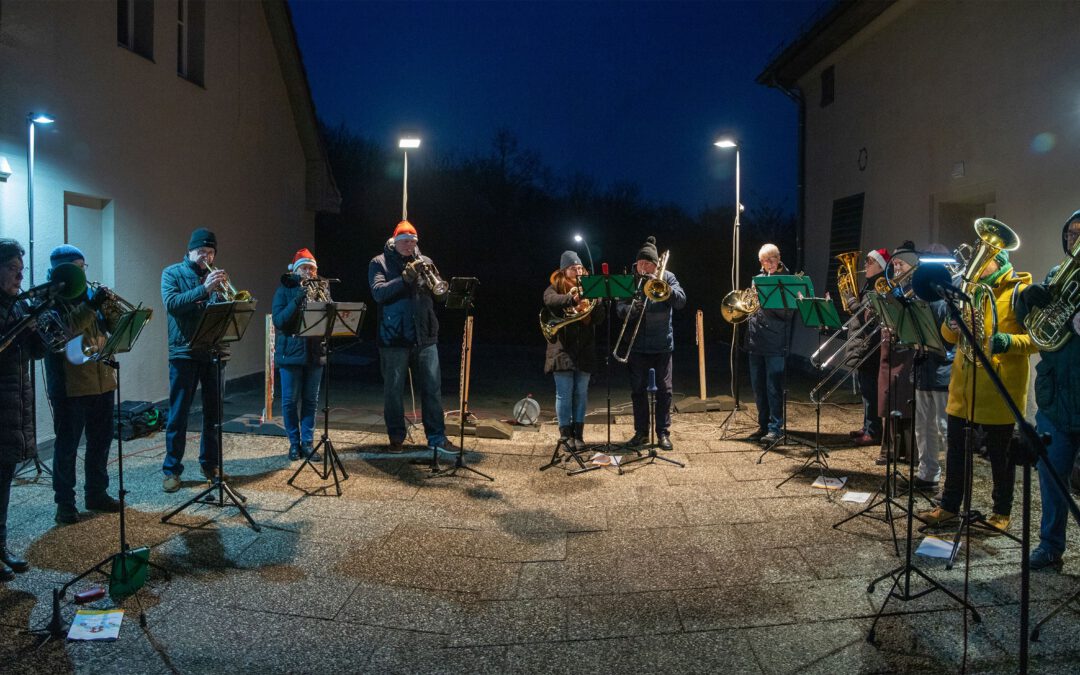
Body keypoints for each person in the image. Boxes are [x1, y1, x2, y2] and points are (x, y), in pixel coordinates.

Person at [920, 248, 1037, 533]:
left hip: (1000, 388)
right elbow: (949, 338)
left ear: (1000, 262)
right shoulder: (968, 291)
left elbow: (1035, 341)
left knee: (1002, 456)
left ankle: (1001, 511)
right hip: (964, 385)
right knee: (956, 452)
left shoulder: (1021, 291)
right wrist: (951, 326)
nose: (976, 265)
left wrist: (1007, 342)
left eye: (984, 260)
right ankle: (949, 506)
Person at [1017, 209, 1080, 570]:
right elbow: (1040, 331)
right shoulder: (1059, 275)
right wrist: (1026, 302)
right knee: (1051, 475)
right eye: (1071, 234)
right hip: (1056, 396)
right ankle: (1050, 545)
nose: (1075, 240)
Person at [42, 245, 119, 524]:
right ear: (61, 270)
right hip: (70, 384)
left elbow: (112, 327)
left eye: (83, 267)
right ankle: (65, 503)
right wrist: (91, 305)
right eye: (76, 267)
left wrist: (108, 307)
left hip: (102, 379)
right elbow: (64, 330)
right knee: (68, 446)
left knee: (101, 441)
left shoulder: (89, 294)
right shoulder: (49, 299)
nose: (82, 273)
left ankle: (96, 493)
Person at [369, 221, 455, 454]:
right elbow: (378, 293)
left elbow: (438, 295)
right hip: (393, 337)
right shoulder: (380, 262)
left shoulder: (425, 261)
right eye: (405, 241)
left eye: (413, 241)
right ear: (394, 242)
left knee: (432, 389)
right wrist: (404, 279)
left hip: (425, 336)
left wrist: (441, 289)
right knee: (394, 391)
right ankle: (396, 438)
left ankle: (436, 437)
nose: (409, 245)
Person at [160, 228, 232, 493]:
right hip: (184, 352)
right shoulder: (172, 273)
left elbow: (224, 312)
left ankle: (210, 464)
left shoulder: (216, 275)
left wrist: (223, 296)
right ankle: (171, 470)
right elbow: (173, 304)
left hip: (213, 351)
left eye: (211, 252)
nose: (206, 257)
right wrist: (204, 289)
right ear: (189, 251)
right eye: (202, 252)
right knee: (179, 414)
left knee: (214, 414)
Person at [0, 238, 46, 580]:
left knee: (4, 480)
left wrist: (37, 328)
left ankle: (0, 547)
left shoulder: (17, 305)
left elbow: (38, 352)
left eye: (21, 270)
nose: (20, 276)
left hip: (14, 401)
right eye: (13, 269)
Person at [616, 236, 686, 451]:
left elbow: (681, 301)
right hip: (636, 347)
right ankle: (641, 432)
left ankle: (663, 433)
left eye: (648, 263)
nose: (643, 267)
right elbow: (619, 308)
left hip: (662, 345)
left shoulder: (668, 277)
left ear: (656, 264)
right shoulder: (630, 280)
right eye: (640, 263)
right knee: (637, 391)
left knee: (665, 391)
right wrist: (630, 309)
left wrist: (664, 287)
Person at [543, 250, 605, 450]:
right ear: (564, 271)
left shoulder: (591, 288)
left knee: (581, 393)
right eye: (573, 268)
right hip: (562, 349)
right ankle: (565, 435)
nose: (578, 271)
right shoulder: (555, 287)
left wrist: (597, 303)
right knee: (564, 393)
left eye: (580, 267)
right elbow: (549, 300)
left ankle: (579, 435)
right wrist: (571, 300)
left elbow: (598, 319)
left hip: (585, 349)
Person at [272, 248, 327, 462]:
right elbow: (280, 321)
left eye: (312, 269)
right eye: (304, 268)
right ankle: (294, 443)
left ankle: (308, 443)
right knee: (289, 401)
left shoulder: (321, 287)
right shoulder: (284, 290)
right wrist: (297, 298)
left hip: (314, 352)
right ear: (295, 270)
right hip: (290, 352)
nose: (308, 272)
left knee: (311, 401)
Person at [912, 243, 954, 490]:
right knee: (923, 426)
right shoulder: (920, 292)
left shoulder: (949, 293)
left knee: (945, 427)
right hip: (922, 368)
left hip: (943, 369)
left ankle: (953, 481)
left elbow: (950, 334)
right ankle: (927, 473)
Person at [745, 243, 794, 446]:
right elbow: (751, 307)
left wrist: (766, 301)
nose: (769, 263)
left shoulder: (788, 280)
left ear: (779, 257)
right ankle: (763, 426)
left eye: (772, 259)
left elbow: (788, 313)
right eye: (765, 261)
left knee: (773, 387)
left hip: (775, 341)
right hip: (755, 341)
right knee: (758, 387)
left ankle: (776, 428)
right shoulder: (758, 280)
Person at [874, 243, 919, 466]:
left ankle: (910, 453)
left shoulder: (917, 287)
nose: (896, 268)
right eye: (895, 264)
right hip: (888, 350)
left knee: (905, 402)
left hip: (907, 351)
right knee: (887, 398)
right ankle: (889, 450)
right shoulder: (892, 287)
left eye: (900, 264)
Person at [850, 248, 889, 447]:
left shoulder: (879, 286)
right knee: (866, 390)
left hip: (871, 346)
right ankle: (867, 426)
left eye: (869, 261)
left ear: (880, 266)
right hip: (863, 344)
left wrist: (853, 305)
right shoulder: (868, 285)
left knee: (871, 390)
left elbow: (870, 319)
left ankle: (873, 431)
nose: (865, 265)